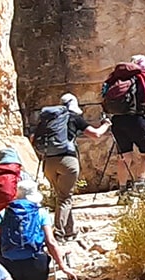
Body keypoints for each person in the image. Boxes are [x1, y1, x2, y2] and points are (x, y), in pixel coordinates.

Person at [28, 93, 103, 240]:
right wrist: (106, 124)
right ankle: (58, 231)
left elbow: (33, 138)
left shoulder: (48, 120)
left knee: (61, 196)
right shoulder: (74, 117)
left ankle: (70, 230)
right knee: (65, 198)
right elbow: (96, 134)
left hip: (48, 162)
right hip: (67, 161)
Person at [101, 55, 145, 189]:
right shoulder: (142, 79)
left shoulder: (115, 79)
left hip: (117, 120)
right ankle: (140, 184)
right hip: (137, 120)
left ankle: (122, 189)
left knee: (124, 156)